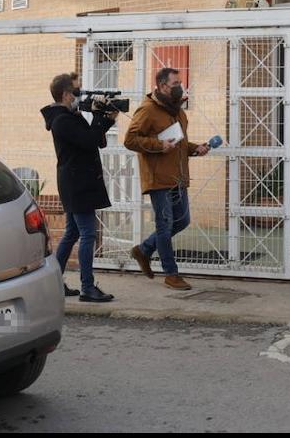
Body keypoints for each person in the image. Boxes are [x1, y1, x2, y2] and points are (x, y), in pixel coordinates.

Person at [124, 67, 210, 291]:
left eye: (180, 82)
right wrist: (158, 145)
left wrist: (195, 148)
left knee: (182, 220)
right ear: (162, 86)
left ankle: (144, 249)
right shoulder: (148, 110)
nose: (179, 87)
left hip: (178, 176)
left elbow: (178, 143)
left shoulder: (178, 111)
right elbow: (130, 139)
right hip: (158, 178)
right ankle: (171, 274)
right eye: (175, 84)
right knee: (165, 225)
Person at [41, 72, 117, 303]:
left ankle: (53, 282)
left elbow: (96, 140)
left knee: (72, 233)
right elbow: (88, 141)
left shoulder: (69, 116)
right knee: (87, 233)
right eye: (77, 91)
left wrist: (99, 115)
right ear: (65, 94)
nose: (80, 95)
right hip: (78, 184)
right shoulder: (62, 120)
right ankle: (87, 287)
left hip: (77, 182)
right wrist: (106, 119)